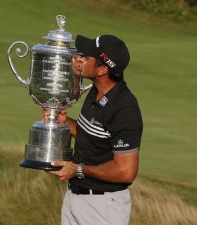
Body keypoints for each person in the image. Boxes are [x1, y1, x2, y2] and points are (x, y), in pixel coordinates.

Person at [44, 34, 143, 225]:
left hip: (103, 206)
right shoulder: (95, 92)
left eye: (86, 57)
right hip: (75, 198)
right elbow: (93, 136)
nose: (79, 58)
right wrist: (65, 123)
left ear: (102, 70)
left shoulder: (125, 108)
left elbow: (126, 171)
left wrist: (78, 169)